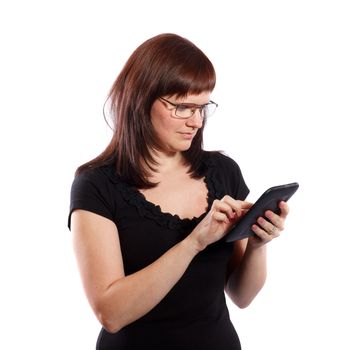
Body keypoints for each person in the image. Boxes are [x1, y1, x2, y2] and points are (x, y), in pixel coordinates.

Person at [68, 33, 290, 350]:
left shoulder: (223, 172)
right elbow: (111, 313)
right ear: (140, 100)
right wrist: (194, 242)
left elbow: (242, 296)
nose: (196, 121)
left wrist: (257, 243)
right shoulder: (96, 185)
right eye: (183, 107)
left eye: (203, 107)